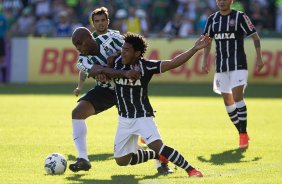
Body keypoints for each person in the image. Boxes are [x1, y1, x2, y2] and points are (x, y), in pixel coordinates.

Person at [79, 32, 211, 177]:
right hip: (124, 119)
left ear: (137, 53)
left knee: (157, 146)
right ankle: (156, 156)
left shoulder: (146, 67)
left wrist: (194, 49)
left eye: (127, 50)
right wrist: (102, 75)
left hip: (142, 116)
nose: (122, 51)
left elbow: (173, 63)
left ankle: (191, 170)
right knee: (121, 160)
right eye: (122, 48)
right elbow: (100, 71)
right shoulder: (115, 62)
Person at [70, 9, 173, 174]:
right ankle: (83, 158)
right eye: (75, 45)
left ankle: (161, 162)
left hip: (127, 87)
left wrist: (118, 54)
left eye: (79, 43)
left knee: (144, 127)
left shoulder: (111, 38)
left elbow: (134, 48)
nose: (78, 48)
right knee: (77, 112)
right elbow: (97, 70)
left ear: (90, 38)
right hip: (106, 90)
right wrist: (112, 72)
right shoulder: (81, 61)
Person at [201, 0, 264, 149]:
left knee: (237, 97)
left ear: (231, 1)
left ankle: (242, 135)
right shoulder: (212, 19)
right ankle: (242, 131)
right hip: (221, 66)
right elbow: (207, 41)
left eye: (225, 0)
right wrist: (204, 60)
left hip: (238, 64)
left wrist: (260, 58)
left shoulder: (240, 17)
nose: (222, 2)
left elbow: (255, 36)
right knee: (228, 102)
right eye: (219, 0)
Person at [0, 10, 8, 83]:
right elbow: (7, 30)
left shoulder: (3, 18)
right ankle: (4, 79)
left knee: (2, 59)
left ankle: (4, 79)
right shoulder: (3, 18)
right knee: (2, 59)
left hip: (1, 39)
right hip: (1, 39)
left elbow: (6, 29)